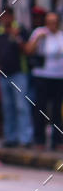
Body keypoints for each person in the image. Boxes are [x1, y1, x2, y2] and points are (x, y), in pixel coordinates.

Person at [0, 6, 33, 147]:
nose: (3, 20)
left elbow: (28, 50)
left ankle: (25, 138)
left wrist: (16, 37)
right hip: (3, 74)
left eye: (6, 17)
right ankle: (11, 137)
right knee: (7, 107)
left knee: (21, 106)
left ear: (11, 16)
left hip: (19, 73)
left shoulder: (20, 30)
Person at [26, 10, 63, 150]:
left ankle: (57, 140)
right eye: (49, 23)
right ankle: (39, 139)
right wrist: (37, 39)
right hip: (42, 76)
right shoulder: (39, 32)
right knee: (40, 108)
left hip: (58, 76)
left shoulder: (60, 36)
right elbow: (28, 51)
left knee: (56, 110)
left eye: (54, 23)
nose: (51, 26)